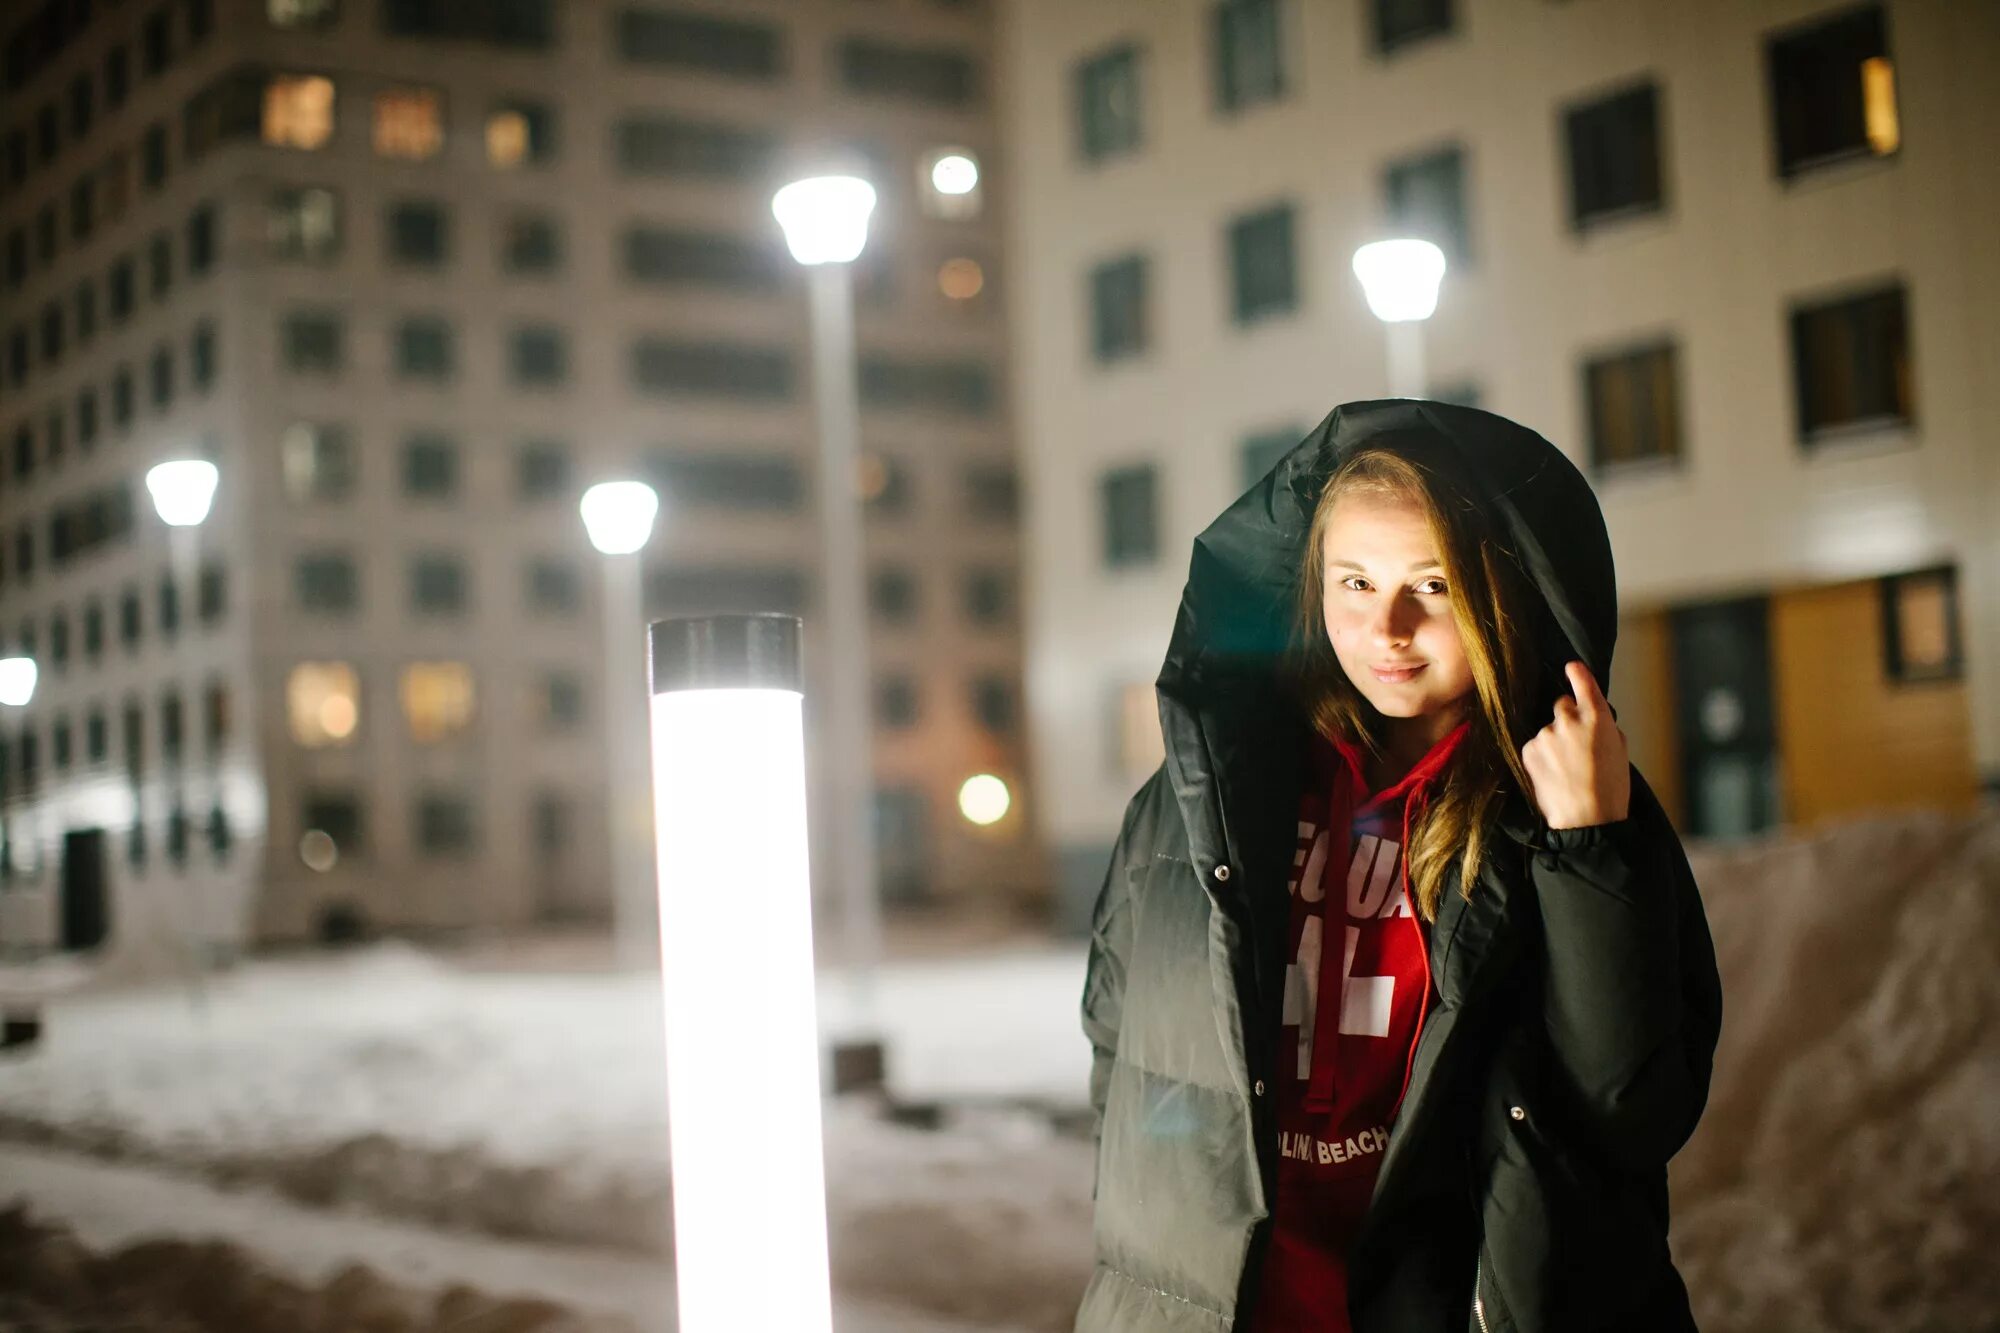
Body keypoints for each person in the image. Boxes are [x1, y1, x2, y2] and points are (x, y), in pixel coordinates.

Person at [1075, 400, 1723, 1333]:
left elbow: (1631, 1107)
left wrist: (1588, 844)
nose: (1389, 626)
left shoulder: (1571, 804)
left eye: (1434, 584)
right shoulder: (1205, 791)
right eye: (1354, 582)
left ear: (1501, 593)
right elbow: (1120, 1047)